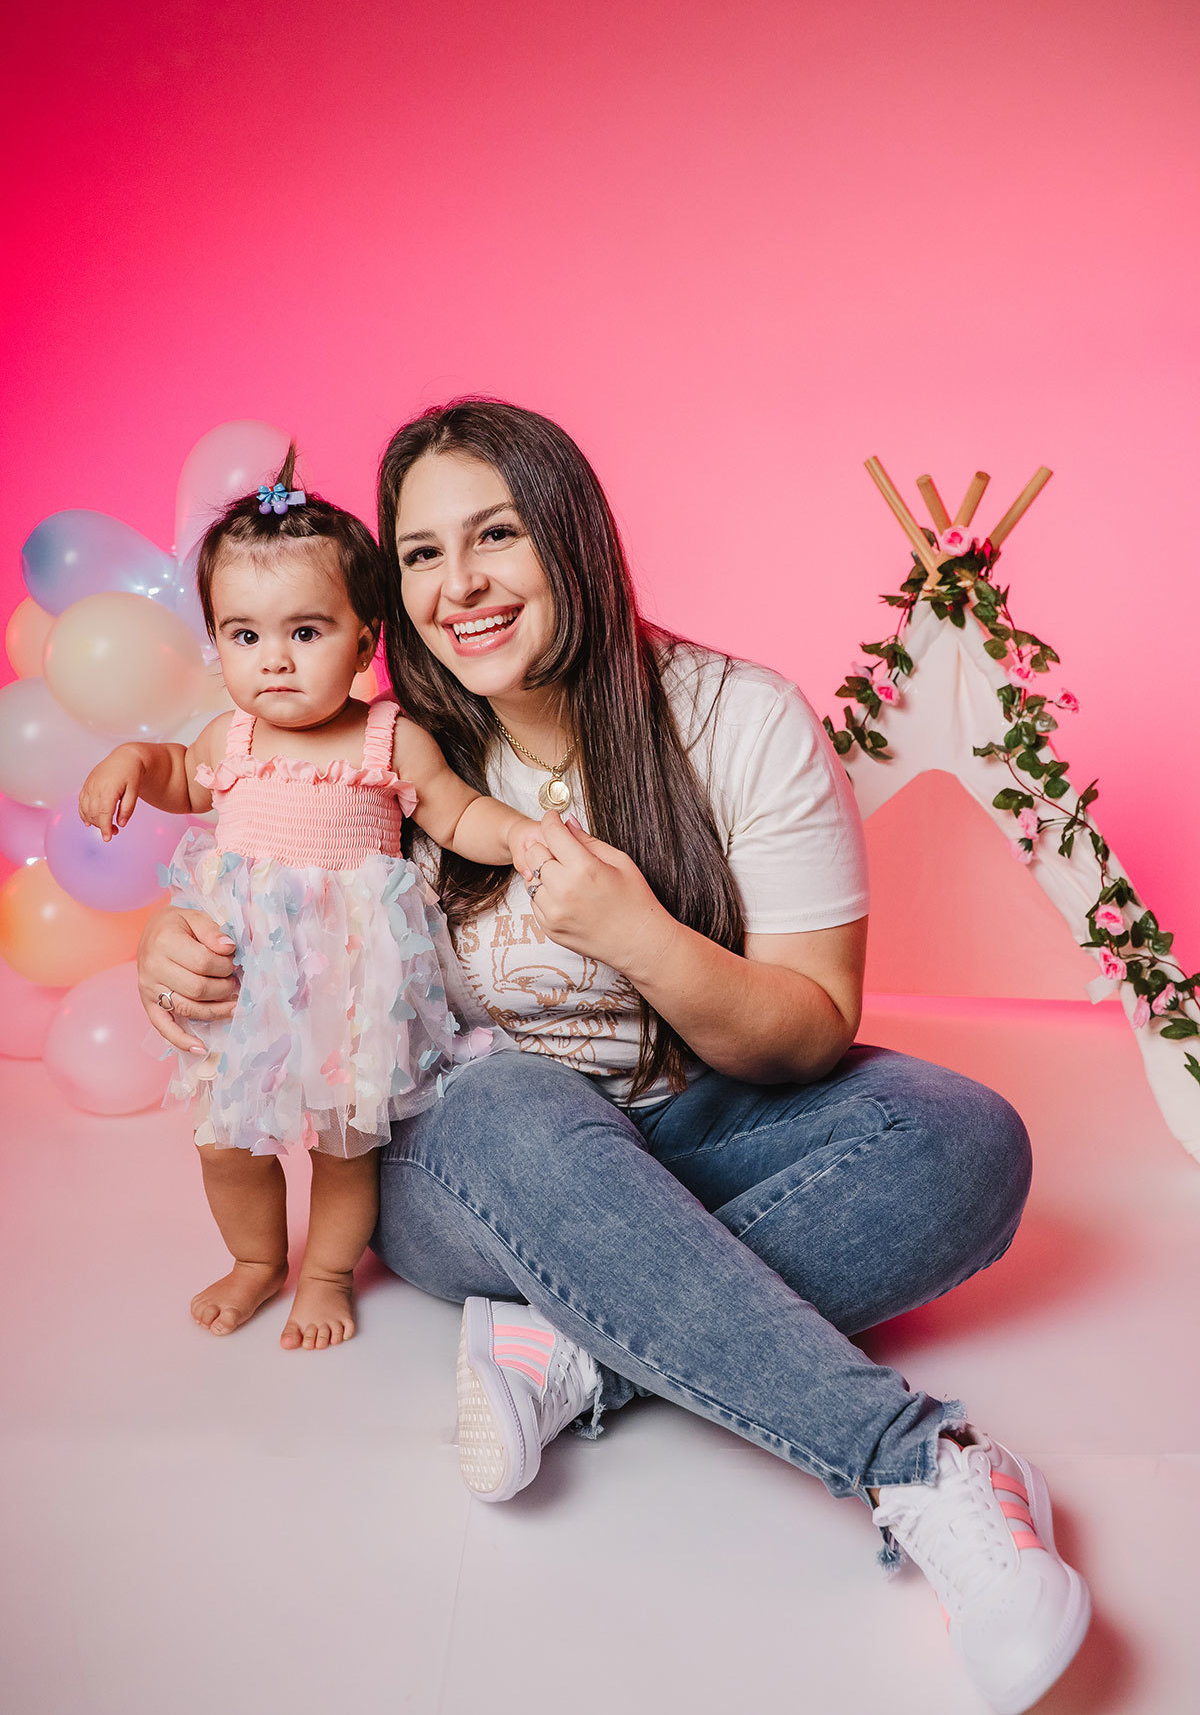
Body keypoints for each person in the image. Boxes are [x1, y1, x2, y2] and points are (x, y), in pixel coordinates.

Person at [138, 402, 1091, 1713]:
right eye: (420, 554)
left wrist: (640, 936)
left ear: (573, 537)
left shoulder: (738, 720)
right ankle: (921, 1464)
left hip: (702, 1117)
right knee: (514, 1097)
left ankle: (567, 1350)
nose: (457, 584)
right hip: (471, 1155)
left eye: (496, 535)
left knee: (967, 1137)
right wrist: (173, 946)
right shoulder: (392, 739)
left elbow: (812, 1027)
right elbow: (259, 877)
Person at [84, 453, 540, 1351]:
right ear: (217, 640)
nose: (275, 661)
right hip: (241, 979)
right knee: (226, 1139)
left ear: (366, 641)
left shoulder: (387, 736)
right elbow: (182, 774)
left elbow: (457, 812)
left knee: (345, 1143)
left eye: (306, 632)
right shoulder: (234, 735)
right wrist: (133, 761)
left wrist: (521, 837)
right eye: (244, 637)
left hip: (349, 985)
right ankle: (258, 1259)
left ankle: (328, 1270)